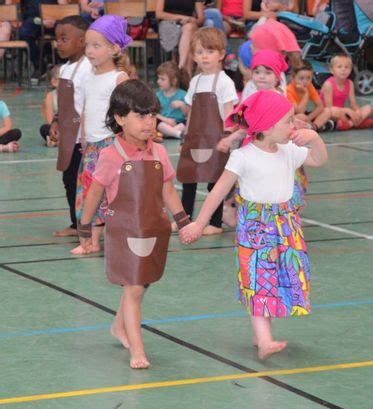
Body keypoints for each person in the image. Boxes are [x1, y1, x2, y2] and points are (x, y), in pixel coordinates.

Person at [180, 90, 328, 360]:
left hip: (285, 225)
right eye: (288, 120)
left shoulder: (289, 151)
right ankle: (263, 339)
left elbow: (319, 160)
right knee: (259, 281)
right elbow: (216, 192)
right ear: (267, 126)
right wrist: (199, 223)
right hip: (256, 229)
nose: (293, 125)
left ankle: (262, 333)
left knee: (279, 279)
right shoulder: (243, 156)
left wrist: (315, 138)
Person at [77, 80, 189, 369]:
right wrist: (85, 229)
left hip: (153, 228)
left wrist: (183, 221)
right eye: (140, 116)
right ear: (119, 118)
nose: (149, 122)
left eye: (152, 115)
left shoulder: (159, 153)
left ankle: (118, 326)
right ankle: (137, 349)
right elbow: (95, 194)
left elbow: (167, 191)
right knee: (134, 288)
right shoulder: (111, 155)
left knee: (142, 283)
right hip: (125, 233)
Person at [72, 14, 131, 255]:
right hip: (93, 145)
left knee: (113, 194)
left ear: (114, 48)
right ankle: (91, 241)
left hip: (112, 145)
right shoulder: (87, 77)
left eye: (96, 45)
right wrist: (84, 136)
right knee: (89, 192)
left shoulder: (119, 78)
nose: (90, 50)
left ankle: (117, 237)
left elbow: (126, 113)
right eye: (87, 45)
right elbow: (86, 108)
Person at [176, 27, 238, 235]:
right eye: (199, 52)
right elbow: (192, 111)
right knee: (189, 178)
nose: (204, 56)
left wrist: (227, 138)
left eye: (209, 51)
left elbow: (229, 113)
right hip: (196, 137)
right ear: (193, 56)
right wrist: (187, 134)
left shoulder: (225, 82)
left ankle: (215, 222)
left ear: (221, 55)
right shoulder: (195, 81)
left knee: (215, 180)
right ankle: (185, 218)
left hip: (217, 139)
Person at [49, 15, 91, 238]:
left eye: (64, 39)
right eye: (57, 39)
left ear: (82, 40)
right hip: (68, 137)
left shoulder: (88, 69)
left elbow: (88, 104)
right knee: (68, 180)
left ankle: (88, 224)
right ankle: (76, 223)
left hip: (82, 138)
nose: (58, 43)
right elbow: (65, 104)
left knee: (82, 183)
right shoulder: (64, 69)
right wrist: (56, 121)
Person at [320, 53, 373, 130]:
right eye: (339, 67)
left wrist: (357, 111)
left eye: (346, 67)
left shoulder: (350, 83)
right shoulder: (328, 84)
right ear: (331, 70)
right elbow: (329, 108)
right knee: (333, 111)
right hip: (330, 114)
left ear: (350, 70)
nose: (343, 69)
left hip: (343, 113)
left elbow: (353, 104)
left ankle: (349, 124)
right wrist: (347, 110)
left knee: (369, 108)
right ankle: (358, 123)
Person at [155, 0, 204, 77]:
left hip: (188, 25)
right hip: (168, 24)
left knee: (189, 28)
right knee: (190, 40)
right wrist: (180, 17)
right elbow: (159, 14)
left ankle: (180, 67)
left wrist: (191, 20)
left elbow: (201, 19)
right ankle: (186, 74)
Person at [287, 61, 334, 131]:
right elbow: (299, 112)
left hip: (305, 116)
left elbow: (320, 106)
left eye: (308, 78)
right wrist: (306, 94)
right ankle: (318, 126)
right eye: (301, 78)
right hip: (293, 117)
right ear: (293, 78)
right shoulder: (289, 90)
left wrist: (308, 118)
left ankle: (313, 127)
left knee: (327, 111)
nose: (305, 81)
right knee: (301, 117)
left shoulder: (309, 86)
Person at [156, 61, 187, 139]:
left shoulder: (183, 94)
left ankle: (167, 133)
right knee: (159, 124)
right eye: (158, 78)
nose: (158, 81)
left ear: (173, 81)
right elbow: (154, 113)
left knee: (185, 124)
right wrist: (166, 120)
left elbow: (188, 114)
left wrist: (182, 105)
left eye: (162, 79)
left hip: (178, 123)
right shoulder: (157, 95)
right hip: (164, 123)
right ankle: (177, 134)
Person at [40, 65, 60, 147]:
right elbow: (50, 120)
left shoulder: (73, 94)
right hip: (57, 127)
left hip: (71, 127)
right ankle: (55, 140)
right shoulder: (50, 96)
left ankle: (55, 141)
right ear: (54, 81)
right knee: (44, 128)